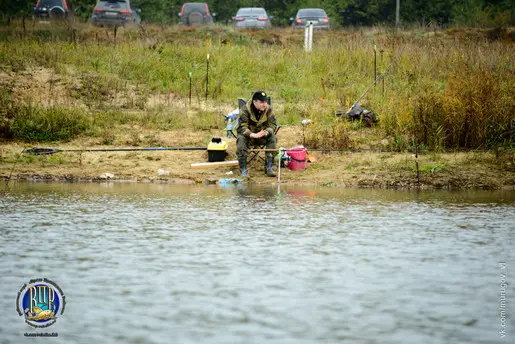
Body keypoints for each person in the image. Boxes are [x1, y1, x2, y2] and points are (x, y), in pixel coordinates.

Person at [237, 91, 277, 177]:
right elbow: (241, 127)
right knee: (240, 139)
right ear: (254, 102)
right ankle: (243, 169)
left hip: (262, 136)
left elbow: (273, 125)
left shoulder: (269, 110)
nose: (265, 104)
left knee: (273, 137)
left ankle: (268, 167)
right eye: (262, 102)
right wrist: (252, 135)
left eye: (266, 101)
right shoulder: (244, 110)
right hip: (249, 137)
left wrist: (266, 132)